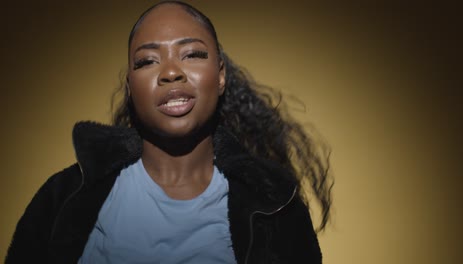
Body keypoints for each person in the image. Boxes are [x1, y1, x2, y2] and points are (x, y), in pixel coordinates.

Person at [6, 1, 333, 263]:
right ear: (131, 88)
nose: (171, 72)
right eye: (147, 61)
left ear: (220, 75)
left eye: (192, 54)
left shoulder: (276, 203)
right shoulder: (63, 196)